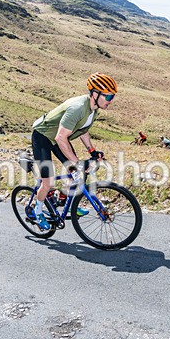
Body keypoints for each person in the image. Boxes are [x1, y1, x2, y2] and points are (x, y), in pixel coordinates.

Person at [30, 72, 117, 230]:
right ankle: (38, 211)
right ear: (95, 94)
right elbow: (60, 138)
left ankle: (66, 201)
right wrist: (76, 162)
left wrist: (92, 151)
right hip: (43, 137)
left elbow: (83, 130)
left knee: (78, 172)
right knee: (48, 182)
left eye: (112, 97)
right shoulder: (78, 108)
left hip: (58, 137)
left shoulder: (93, 109)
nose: (110, 101)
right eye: (108, 97)